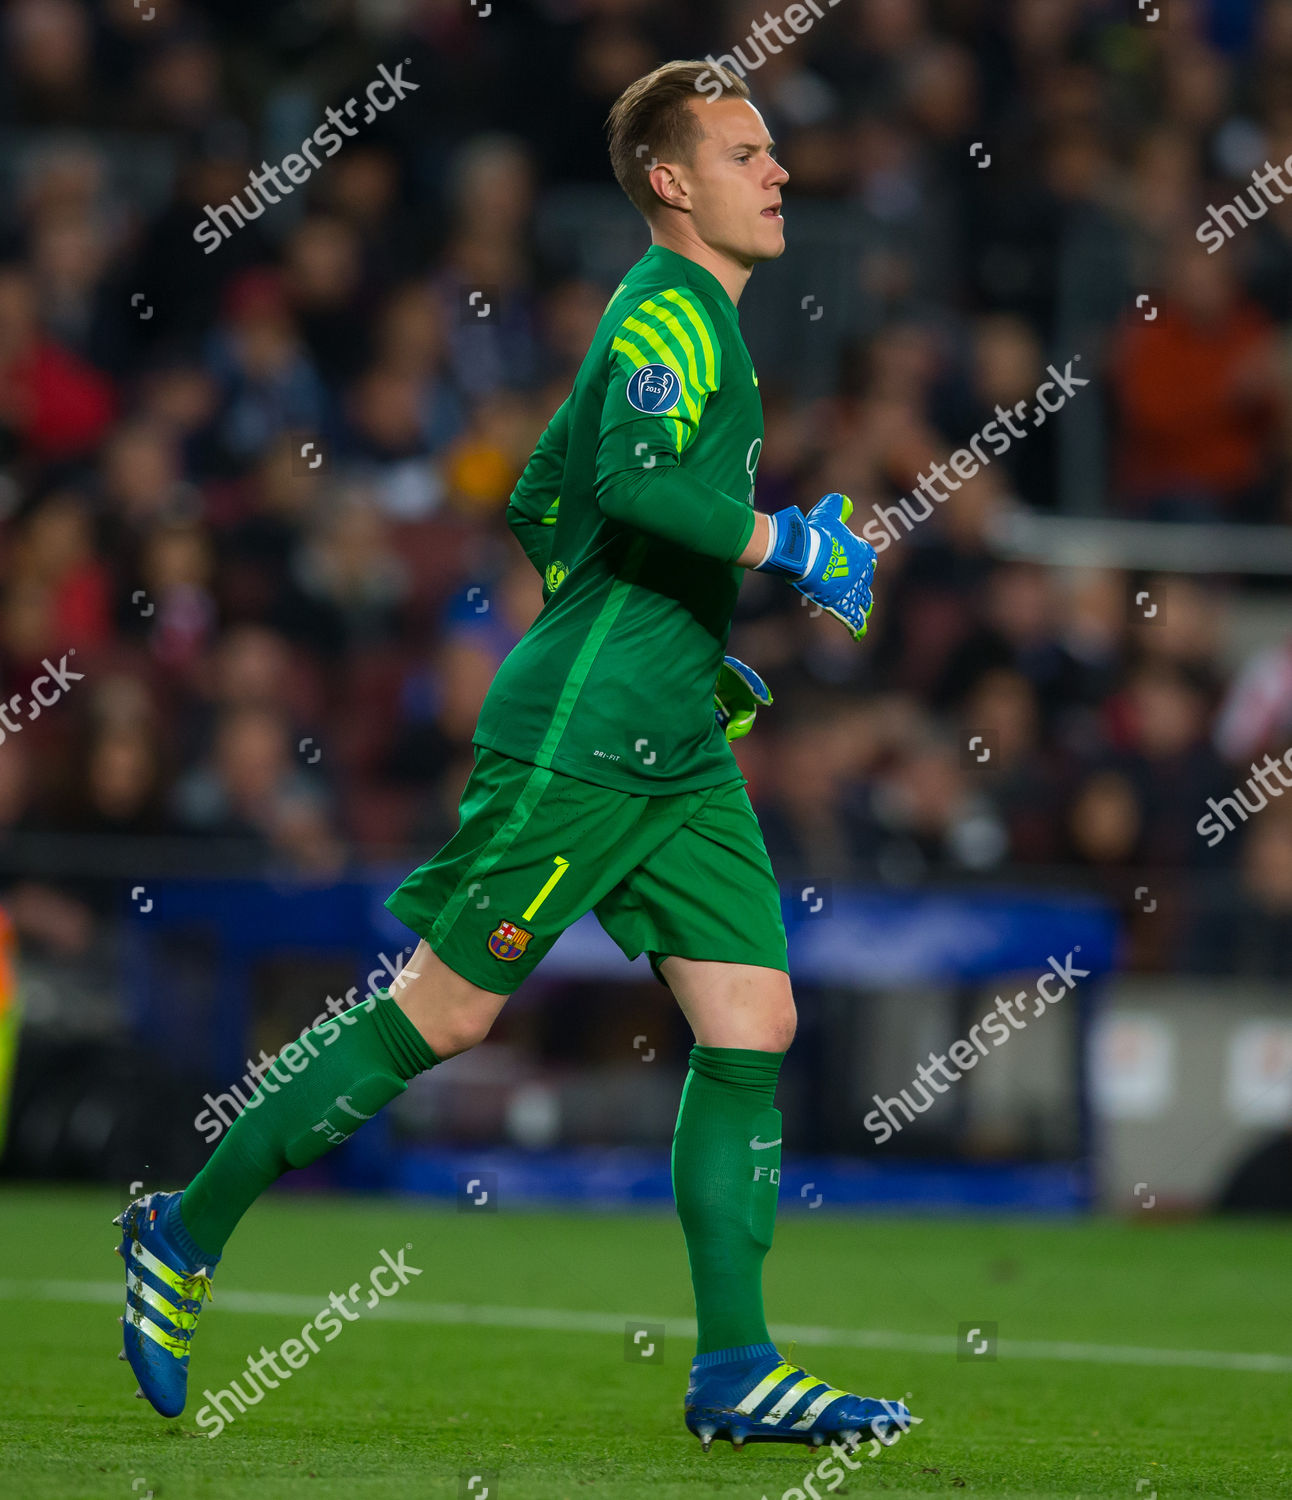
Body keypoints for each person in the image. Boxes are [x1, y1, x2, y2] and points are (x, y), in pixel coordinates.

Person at [115, 59, 910, 1455]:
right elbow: (626, 486)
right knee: (447, 1012)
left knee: (753, 1022)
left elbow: (548, 493)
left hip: (674, 740)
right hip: (591, 734)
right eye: (746, 153)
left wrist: (657, 626)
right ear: (672, 182)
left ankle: (735, 1368)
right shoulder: (671, 310)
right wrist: (782, 547)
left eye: (774, 149)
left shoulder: (685, 318)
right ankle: (180, 1234)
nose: (780, 171)